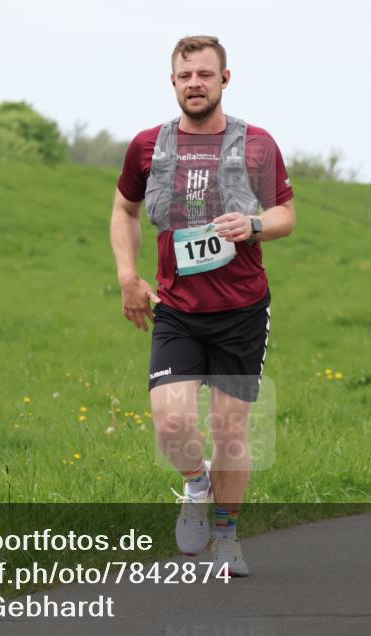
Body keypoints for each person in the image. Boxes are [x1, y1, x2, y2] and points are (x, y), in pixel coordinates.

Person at [109, 35, 295, 576]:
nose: (195, 84)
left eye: (205, 75)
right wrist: (127, 275)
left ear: (224, 80)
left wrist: (255, 224)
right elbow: (124, 209)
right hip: (177, 309)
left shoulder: (257, 143)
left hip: (241, 311)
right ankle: (195, 484)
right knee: (171, 426)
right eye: (186, 75)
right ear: (173, 81)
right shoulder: (147, 146)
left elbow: (286, 212)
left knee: (232, 433)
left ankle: (227, 536)